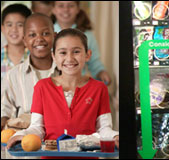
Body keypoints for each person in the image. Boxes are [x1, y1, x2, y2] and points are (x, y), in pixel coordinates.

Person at [7, 28, 119, 158]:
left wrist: (115, 136)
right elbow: (38, 128)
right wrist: (21, 135)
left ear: (88, 55)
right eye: (63, 53)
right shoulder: (42, 87)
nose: (69, 58)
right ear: (54, 56)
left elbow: (104, 129)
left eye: (76, 52)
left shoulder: (99, 88)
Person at [1, 13, 60, 131]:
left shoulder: (66, 71)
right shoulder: (13, 76)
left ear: (55, 36)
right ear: (25, 40)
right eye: (32, 35)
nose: (39, 39)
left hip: (58, 139)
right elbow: (4, 112)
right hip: (22, 142)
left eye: (45, 33)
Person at [51, 1, 111, 85]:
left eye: (71, 6)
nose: (66, 9)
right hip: (52, 84)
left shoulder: (87, 35)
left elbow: (94, 62)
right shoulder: (47, 32)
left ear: (78, 9)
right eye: (61, 6)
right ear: (53, 9)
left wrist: (101, 72)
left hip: (78, 85)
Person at [1, 4, 32, 80]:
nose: (14, 29)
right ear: (2, 28)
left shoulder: (35, 57)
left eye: (20, 25)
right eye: (9, 25)